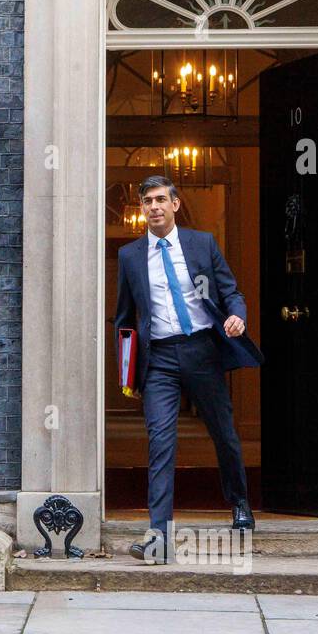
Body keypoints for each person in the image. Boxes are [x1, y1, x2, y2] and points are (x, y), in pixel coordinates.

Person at [112, 175, 264, 564]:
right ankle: (159, 536)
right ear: (142, 209)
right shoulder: (130, 256)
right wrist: (128, 372)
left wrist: (237, 317)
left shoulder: (201, 244)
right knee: (160, 442)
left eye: (161, 199)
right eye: (147, 201)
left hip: (201, 350)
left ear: (175, 204)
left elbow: (231, 291)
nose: (155, 207)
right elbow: (125, 318)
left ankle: (240, 502)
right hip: (159, 357)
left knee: (224, 431)